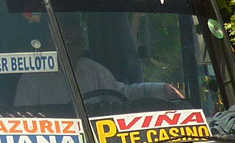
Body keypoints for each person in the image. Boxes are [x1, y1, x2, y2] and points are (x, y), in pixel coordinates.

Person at [15, 19, 183, 107]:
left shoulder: (93, 70)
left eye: (78, 41)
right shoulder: (33, 78)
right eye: (66, 41)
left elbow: (123, 94)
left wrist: (162, 88)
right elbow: (22, 119)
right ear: (51, 43)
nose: (73, 47)